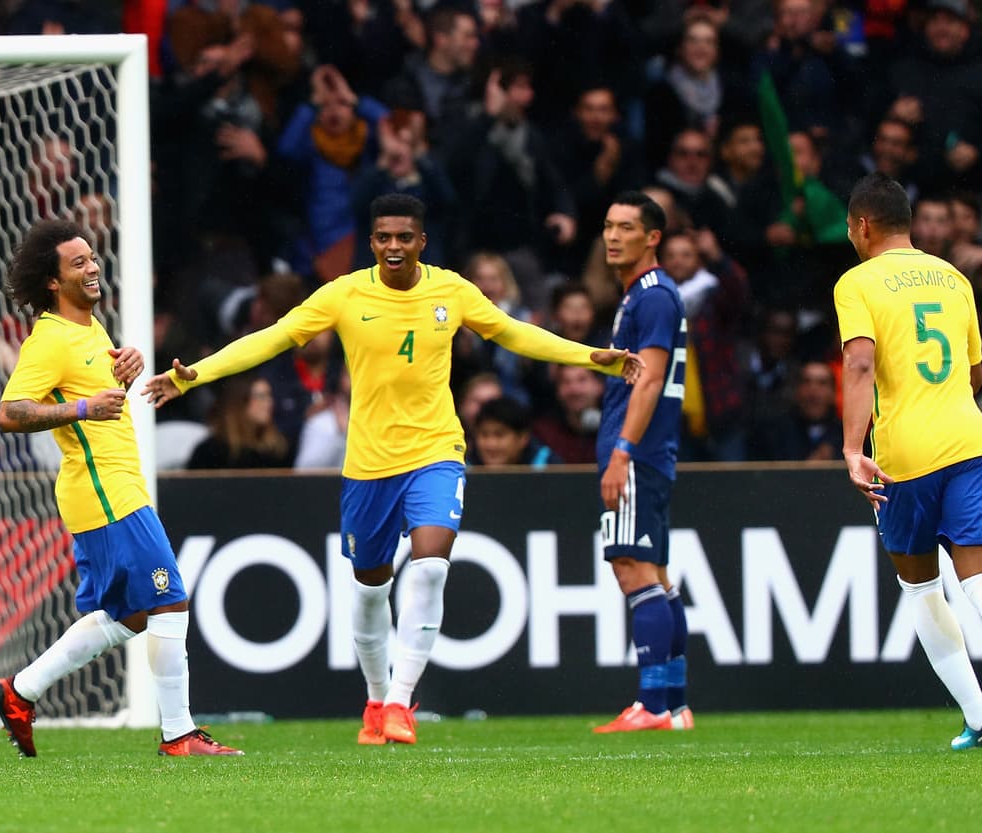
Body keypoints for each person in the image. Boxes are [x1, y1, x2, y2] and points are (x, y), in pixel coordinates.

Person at [143, 194, 642, 745]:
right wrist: (193, 375)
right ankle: (377, 699)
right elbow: (274, 338)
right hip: (368, 463)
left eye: (405, 237)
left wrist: (587, 354)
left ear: (421, 241)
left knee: (430, 566)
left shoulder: (451, 290)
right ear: (373, 241)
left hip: (436, 450)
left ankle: (402, 701)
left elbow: (512, 332)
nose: (394, 247)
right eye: (384, 237)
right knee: (370, 590)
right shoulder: (345, 293)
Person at [0, 218, 241, 758]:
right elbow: (10, 412)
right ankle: (180, 734)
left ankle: (19, 691)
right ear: (54, 282)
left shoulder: (90, 329)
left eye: (92, 257)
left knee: (129, 616)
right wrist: (81, 406)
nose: (93, 266)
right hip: (103, 490)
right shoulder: (50, 339)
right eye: (77, 262)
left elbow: (95, 396)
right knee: (169, 599)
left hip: (113, 485)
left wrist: (122, 374)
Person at [834, 172, 982, 751]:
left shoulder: (857, 283)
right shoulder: (955, 279)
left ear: (862, 226)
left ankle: (980, 720)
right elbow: (975, 374)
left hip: (905, 451)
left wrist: (854, 449)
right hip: (970, 441)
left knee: (923, 587)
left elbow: (858, 365)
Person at [591, 191, 693, 734]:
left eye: (626, 227)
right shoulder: (646, 296)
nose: (613, 236)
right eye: (608, 225)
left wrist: (622, 451)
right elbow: (644, 370)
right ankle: (674, 705)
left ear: (652, 237)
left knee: (632, 569)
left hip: (638, 449)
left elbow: (651, 377)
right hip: (652, 450)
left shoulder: (652, 296)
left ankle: (653, 705)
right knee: (654, 572)